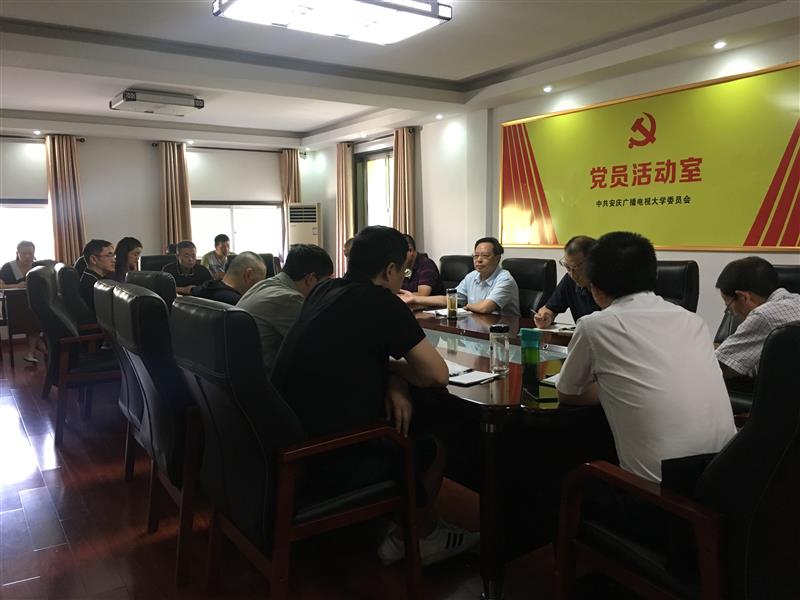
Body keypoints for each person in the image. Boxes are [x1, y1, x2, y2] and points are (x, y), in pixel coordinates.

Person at [271, 226, 479, 566]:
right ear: (390, 269)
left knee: (409, 416)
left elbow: (356, 352)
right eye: (403, 273)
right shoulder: (382, 302)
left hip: (289, 441)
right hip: (327, 457)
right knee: (435, 440)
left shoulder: (324, 289)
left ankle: (395, 523)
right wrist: (397, 374)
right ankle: (418, 538)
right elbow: (437, 375)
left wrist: (394, 378)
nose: (403, 281)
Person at [556, 231, 736, 484]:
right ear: (654, 276)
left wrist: (613, 387)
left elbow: (567, 393)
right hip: (727, 477)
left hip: (658, 494)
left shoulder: (595, 326)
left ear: (594, 288)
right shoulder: (693, 321)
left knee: (573, 472)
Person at [237, 244, 333, 372]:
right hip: (265, 378)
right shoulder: (289, 299)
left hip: (241, 373)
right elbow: (320, 344)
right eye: (325, 283)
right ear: (310, 279)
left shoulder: (265, 284)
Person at [715, 256, 800, 378]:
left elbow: (717, 365)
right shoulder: (796, 299)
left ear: (744, 297)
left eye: (729, 306)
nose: (733, 313)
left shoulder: (763, 315)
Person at [401, 236, 520, 316]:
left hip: (506, 332)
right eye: (476, 255)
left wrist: (466, 306)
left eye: (485, 256)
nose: (479, 260)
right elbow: (448, 299)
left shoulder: (505, 279)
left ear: (497, 258)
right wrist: (414, 299)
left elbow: (485, 308)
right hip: (477, 327)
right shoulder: (472, 277)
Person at [534, 235, 600, 328]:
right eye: (568, 267)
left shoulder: (609, 283)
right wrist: (546, 316)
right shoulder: (569, 280)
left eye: (577, 268)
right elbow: (549, 309)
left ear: (593, 264)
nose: (573, 275)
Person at [1, 241, 44, 363]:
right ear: (17, 253)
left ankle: (33, 351)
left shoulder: (37, 267)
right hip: (13, 307)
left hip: (33, 304)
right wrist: (17, 285)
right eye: (24, 253)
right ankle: (40, 350)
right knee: (34, 319)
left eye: (30, 253)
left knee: (37, 316)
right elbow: (0, 285)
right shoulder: (8, 267)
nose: (27, 257)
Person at [191, 251, 266, 305]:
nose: (259, 286)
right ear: (248, 275)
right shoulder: (241, 305)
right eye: (260, 281)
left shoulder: (203, 288)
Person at [80, 239, 116, 314]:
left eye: (113, 255)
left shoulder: (93, 277)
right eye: (109, 255)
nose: (114, 260)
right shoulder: (93, 285)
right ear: (93, 259)